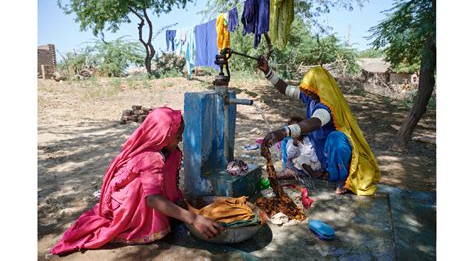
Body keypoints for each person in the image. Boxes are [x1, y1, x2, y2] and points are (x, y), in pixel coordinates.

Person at [51, 107, 223, 255]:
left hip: (151, 196)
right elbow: (152, 199)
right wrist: (192, 219)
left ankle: (163, 213)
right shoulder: (149, 158)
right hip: (134, 203)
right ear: (163, 135)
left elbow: (170, 181)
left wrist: (182, 205)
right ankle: (141, 224)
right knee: (154, 204)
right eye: (177, 136)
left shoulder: (173, 153)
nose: (180, 140)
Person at [256, 58, 380, 195]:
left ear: (320, 88)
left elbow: (315, 122)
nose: (307, 92)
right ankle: (291, 170)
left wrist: (285, 131)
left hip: (331, 150)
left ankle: (341, 179)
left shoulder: (327, 105)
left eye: (310, 89)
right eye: (306, 88)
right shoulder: (311, 97)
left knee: (336, 138)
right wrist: (268, 72)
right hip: (316, 147)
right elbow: (286, 89)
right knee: (289, 139)